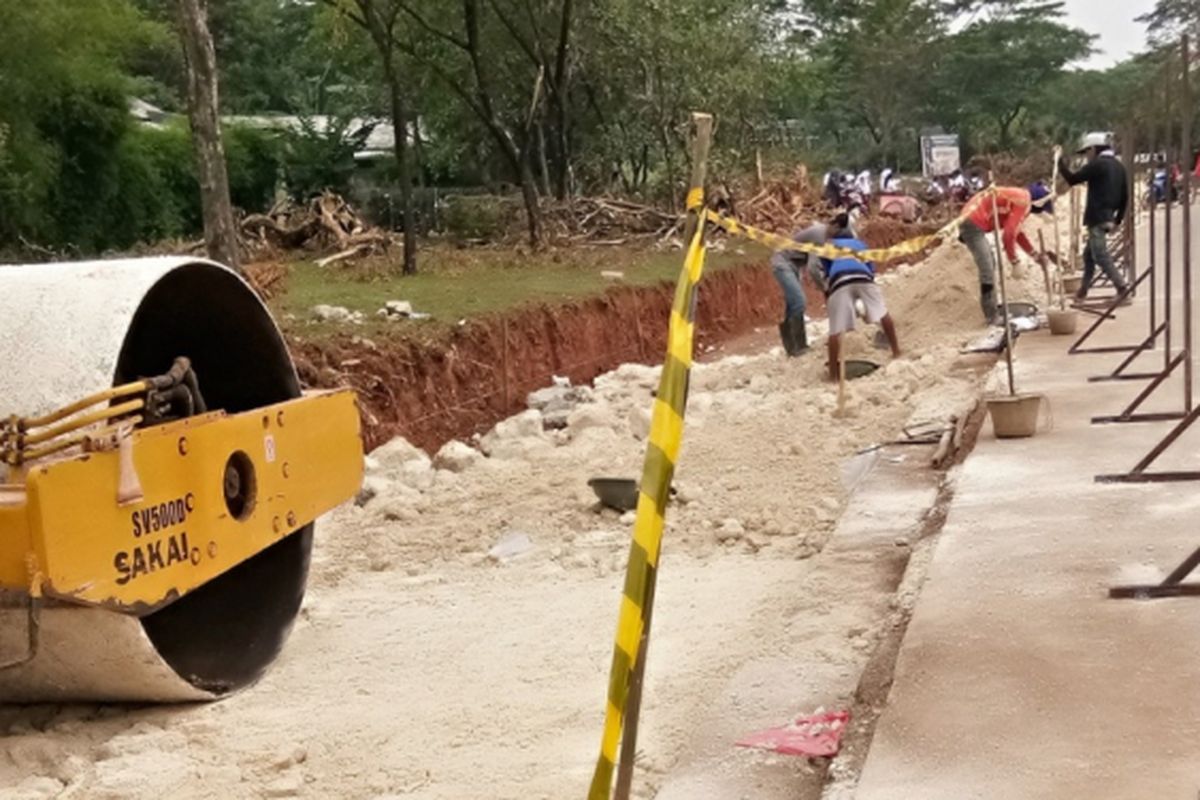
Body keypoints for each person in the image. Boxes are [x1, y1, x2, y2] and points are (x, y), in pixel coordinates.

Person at [959, 184, 1052, 324]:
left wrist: (1035, 255)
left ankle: (993, 310)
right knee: (987, 270)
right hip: (973, 223)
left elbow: (1017, 233)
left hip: (972, 219)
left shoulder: (1020, 197)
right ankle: (991, 317)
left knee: (990, 264)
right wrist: (1014, 260)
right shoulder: (1024, 202)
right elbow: (1008, 235)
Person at [770, 213, 854, 356]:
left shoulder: (825, 234)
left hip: (794, 264)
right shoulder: (819, 236)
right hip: (783, 262)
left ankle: (792, 347)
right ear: (835, 226)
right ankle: (799, 346)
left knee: (793, 304)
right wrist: (826, 289)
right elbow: (813, 268)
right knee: (799, 302)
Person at [1058, 133, 1130, 299]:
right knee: (1088, 256)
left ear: (1093, 149)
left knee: (1099, 254)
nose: (1086, 157)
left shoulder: (1097, 165)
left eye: (1086, 152)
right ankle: (1082, 291)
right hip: (1109, 217)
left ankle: (1121, 288)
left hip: (1097, 217)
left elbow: (1072, 179)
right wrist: (1117, 220)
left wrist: (1060, 163)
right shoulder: (1119, 167)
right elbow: (1126, 196)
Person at [819, 237, 901, 381]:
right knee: (882, 312)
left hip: (839, 281)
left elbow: (827, 274)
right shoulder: (861, 244)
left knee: (835, 330)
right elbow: (870, 269)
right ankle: (896, 351)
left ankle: (833, 376)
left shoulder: (828, 246)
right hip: (863, 277)